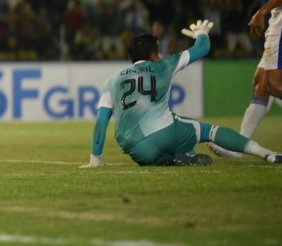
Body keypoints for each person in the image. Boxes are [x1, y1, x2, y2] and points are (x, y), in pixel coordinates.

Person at [81, 21, 281, 168]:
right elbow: (203, 48)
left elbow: (101, 121)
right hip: (164, 132)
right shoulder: (164, 65)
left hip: (136, 150)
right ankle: (266, 154)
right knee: (209, 132)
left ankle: (180, 157)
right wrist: (201, 33)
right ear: (153, 55)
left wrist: (95, 157)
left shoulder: (112, 80)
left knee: (162, 152)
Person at [209, 0, 282, 159]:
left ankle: (237, 147)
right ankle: (239, 147)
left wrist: (262, 10)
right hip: (277, 24)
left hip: (281, 25)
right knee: (261, 85)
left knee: (272, 83)